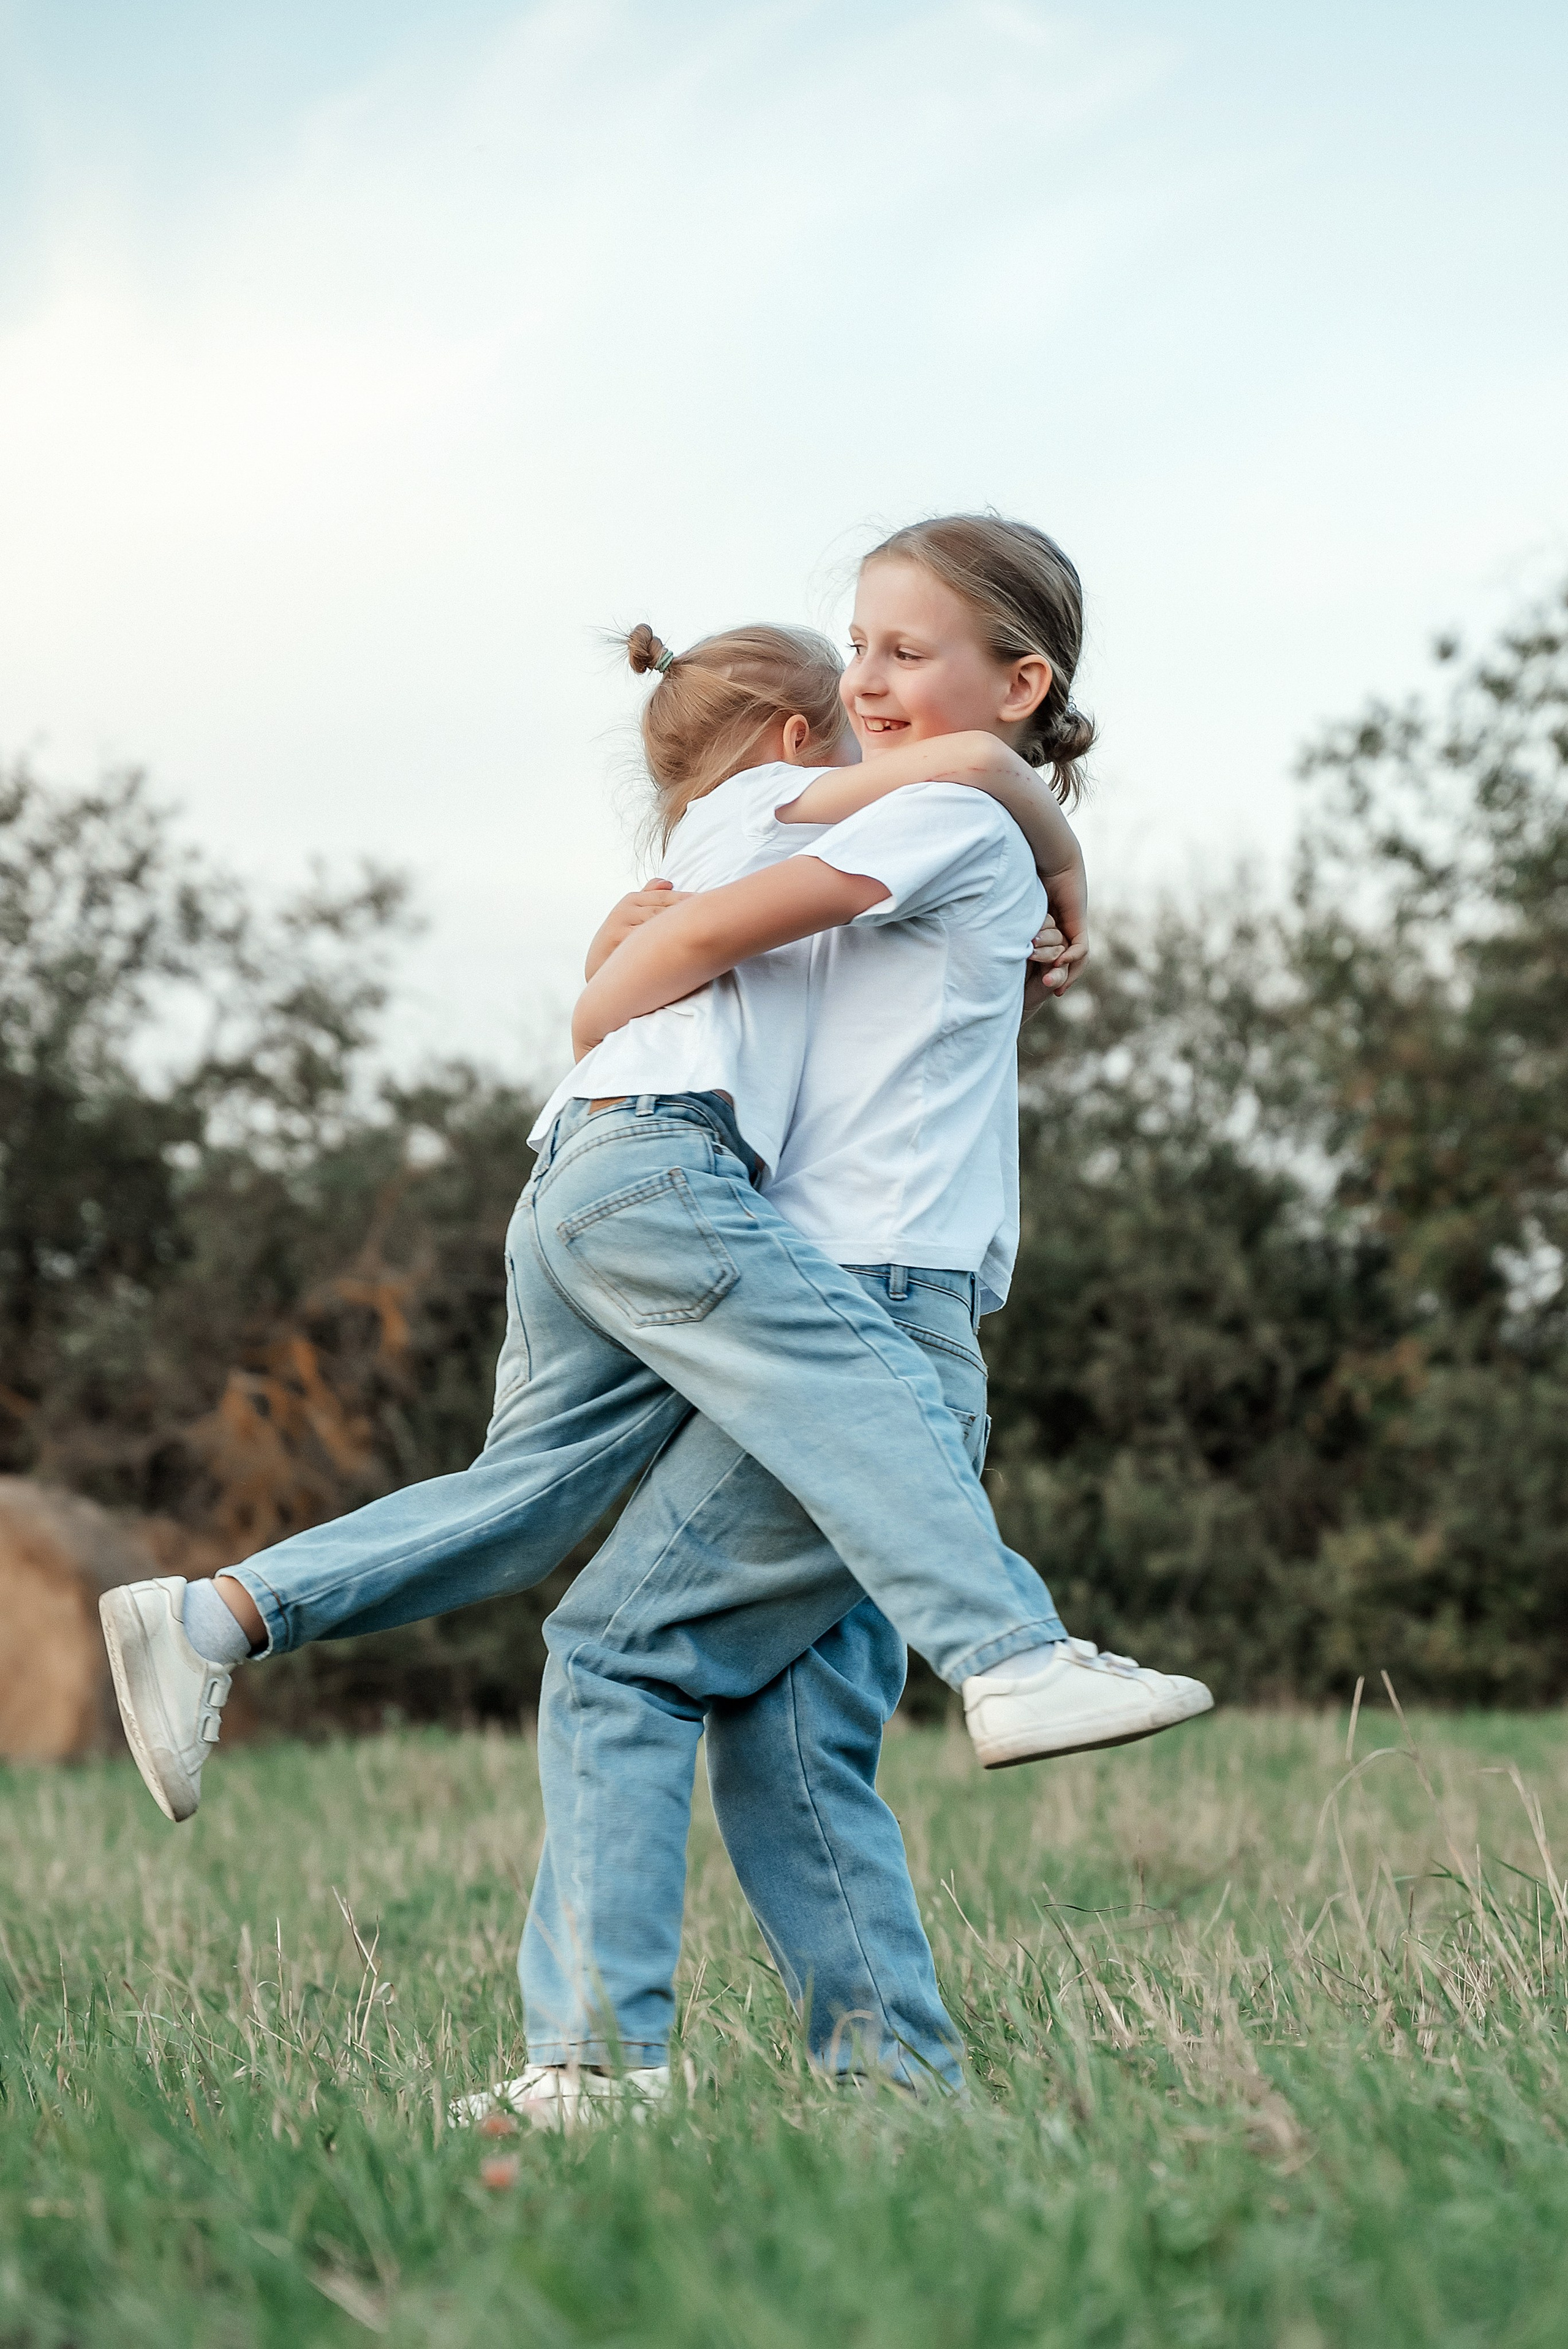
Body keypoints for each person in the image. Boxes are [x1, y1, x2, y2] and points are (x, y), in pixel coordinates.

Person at [100, 603, 1192, 1843]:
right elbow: (986, 764)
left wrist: (606, 991)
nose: (872, 740)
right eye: (849, 711)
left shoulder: (703, 835)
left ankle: (216, 1615)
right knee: (857, 1380)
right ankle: (1007, 1655)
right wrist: (1064, 861)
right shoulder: (780, 801)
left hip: (581, 1172)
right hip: (665, 1163)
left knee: (526, 1495)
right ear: (791, 736)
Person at [462, 515, 1213, 2126]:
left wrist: (611, 984)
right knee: (796, 1748)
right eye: (857, 644)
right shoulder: (958, 811)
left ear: (1018, 682)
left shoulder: (939, 810)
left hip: (851, 1309)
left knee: (611, 1656)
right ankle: (902, 2091)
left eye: (904, 651)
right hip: (890, 1317)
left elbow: (716, 929)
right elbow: (780, 886)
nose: (864, 679)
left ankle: (591, 2069)